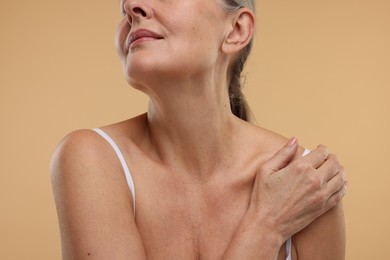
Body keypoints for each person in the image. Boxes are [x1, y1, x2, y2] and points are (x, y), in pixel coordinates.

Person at [51, 0, 347, 259]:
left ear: (236, 30)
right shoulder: (92, 160)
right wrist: (266, 225)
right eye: (122, 5)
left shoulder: (306, 184)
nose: (131, 6)